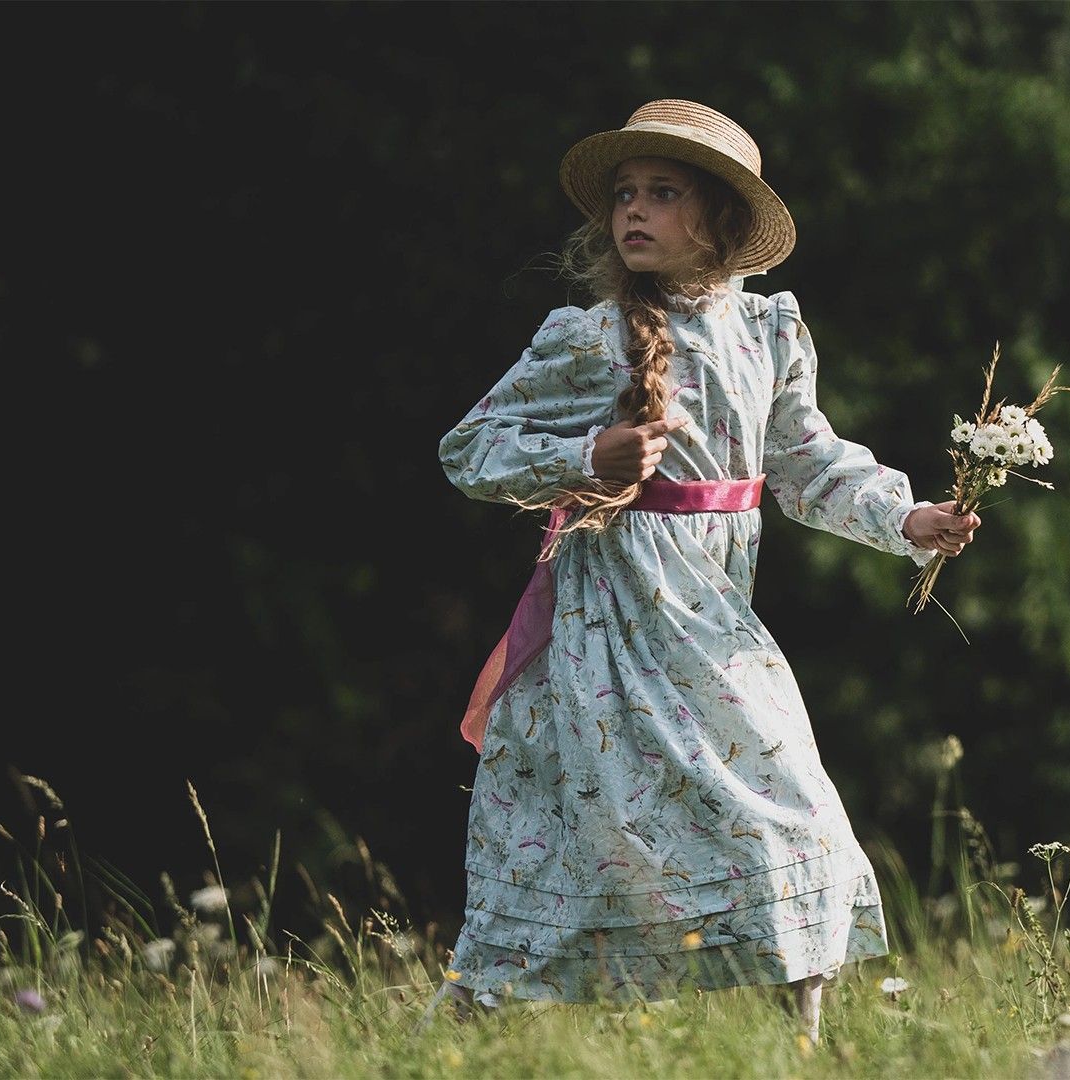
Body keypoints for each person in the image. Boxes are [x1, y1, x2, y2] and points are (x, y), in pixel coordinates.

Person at [420, 100, 982, 1044]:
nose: (634, 211)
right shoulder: (586, 337)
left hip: (713, 630)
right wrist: (589, 459)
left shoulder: (767, 333)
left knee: (793, 824)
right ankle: (440, 1048)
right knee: (576, 853)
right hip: (607, 635)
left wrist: (908, 517)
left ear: (720, 219)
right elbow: (470, 448)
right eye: (625, 195)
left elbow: (808, 465)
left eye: (664, 194)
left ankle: (797, 1050)